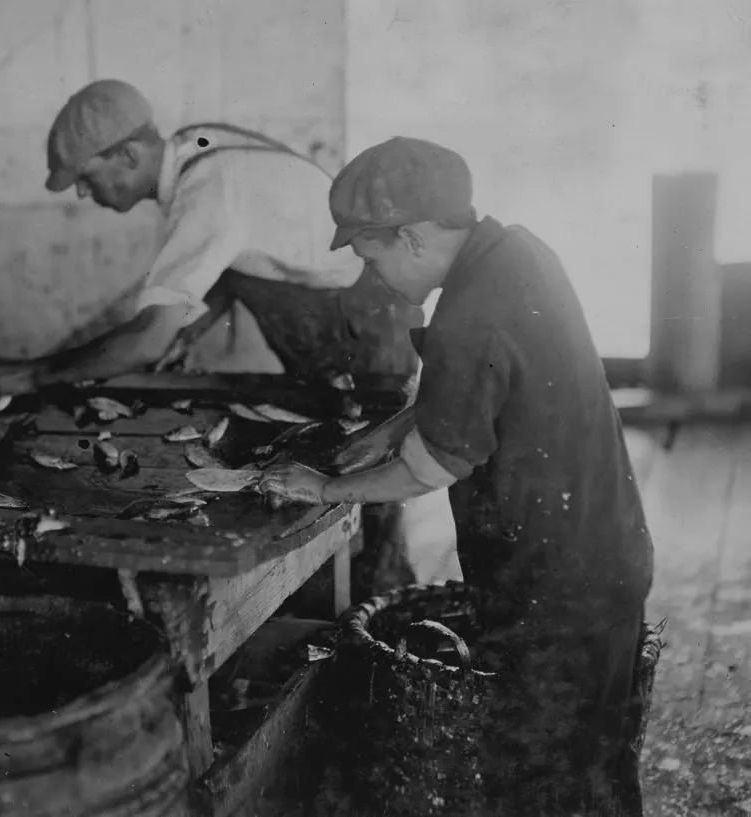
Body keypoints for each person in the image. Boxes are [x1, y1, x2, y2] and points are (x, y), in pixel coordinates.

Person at [258, 136, 654, 815]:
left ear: (410, 237)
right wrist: (393, 427)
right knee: (599, 759)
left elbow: (435, 465)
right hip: (606, 556)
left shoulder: (469, 314)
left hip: (552, 592)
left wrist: (324, 488)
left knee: (538, 779)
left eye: (370, 255)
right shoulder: (516, 252)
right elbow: (495, 383)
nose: (373, 276)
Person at [0, 79, 425, 598]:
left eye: (84, 176)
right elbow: (235, 259)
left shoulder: (207, 188)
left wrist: (31, 374)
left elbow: (145, 341)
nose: (81, 192)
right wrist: (194, 328)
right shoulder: (196, 145)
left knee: (373, 474)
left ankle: (389, 605)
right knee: (333, 464)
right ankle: (351, 596)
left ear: (128, 154)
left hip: (362, 318)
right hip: (338, 311)